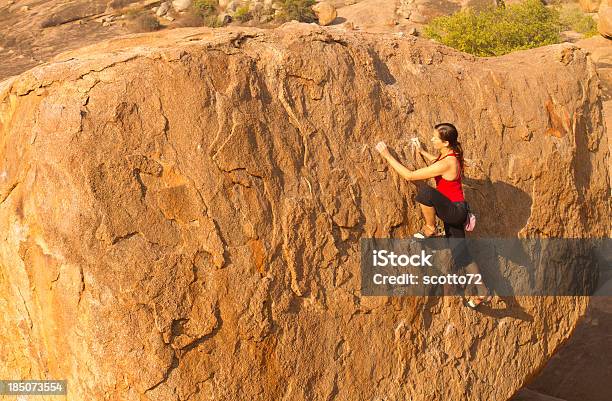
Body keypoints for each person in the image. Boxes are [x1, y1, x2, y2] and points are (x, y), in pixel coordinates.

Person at [375, 123, 492, 308]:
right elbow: (439, 163)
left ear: (445, 142)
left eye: (435, 138)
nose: (431, 139)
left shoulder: (448, 162)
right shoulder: (451, 154)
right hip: (456, 210)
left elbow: (410, 176)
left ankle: (430, 228)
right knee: (462, 255)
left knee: (425, 193)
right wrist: (422, 152)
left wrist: (386, 155)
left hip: (454, 212)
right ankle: (483, 292)